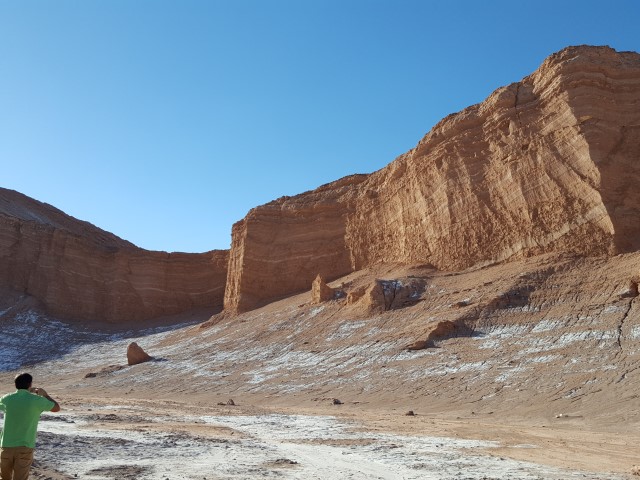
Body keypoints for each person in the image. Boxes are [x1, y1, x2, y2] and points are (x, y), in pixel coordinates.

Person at [0, 373, 60, 480]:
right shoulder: (36, 400)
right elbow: (56, 408)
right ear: (30, 384)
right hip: (25, 446)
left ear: (15, 384)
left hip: (6, 446)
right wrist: (45, 395)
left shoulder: (6, 399)